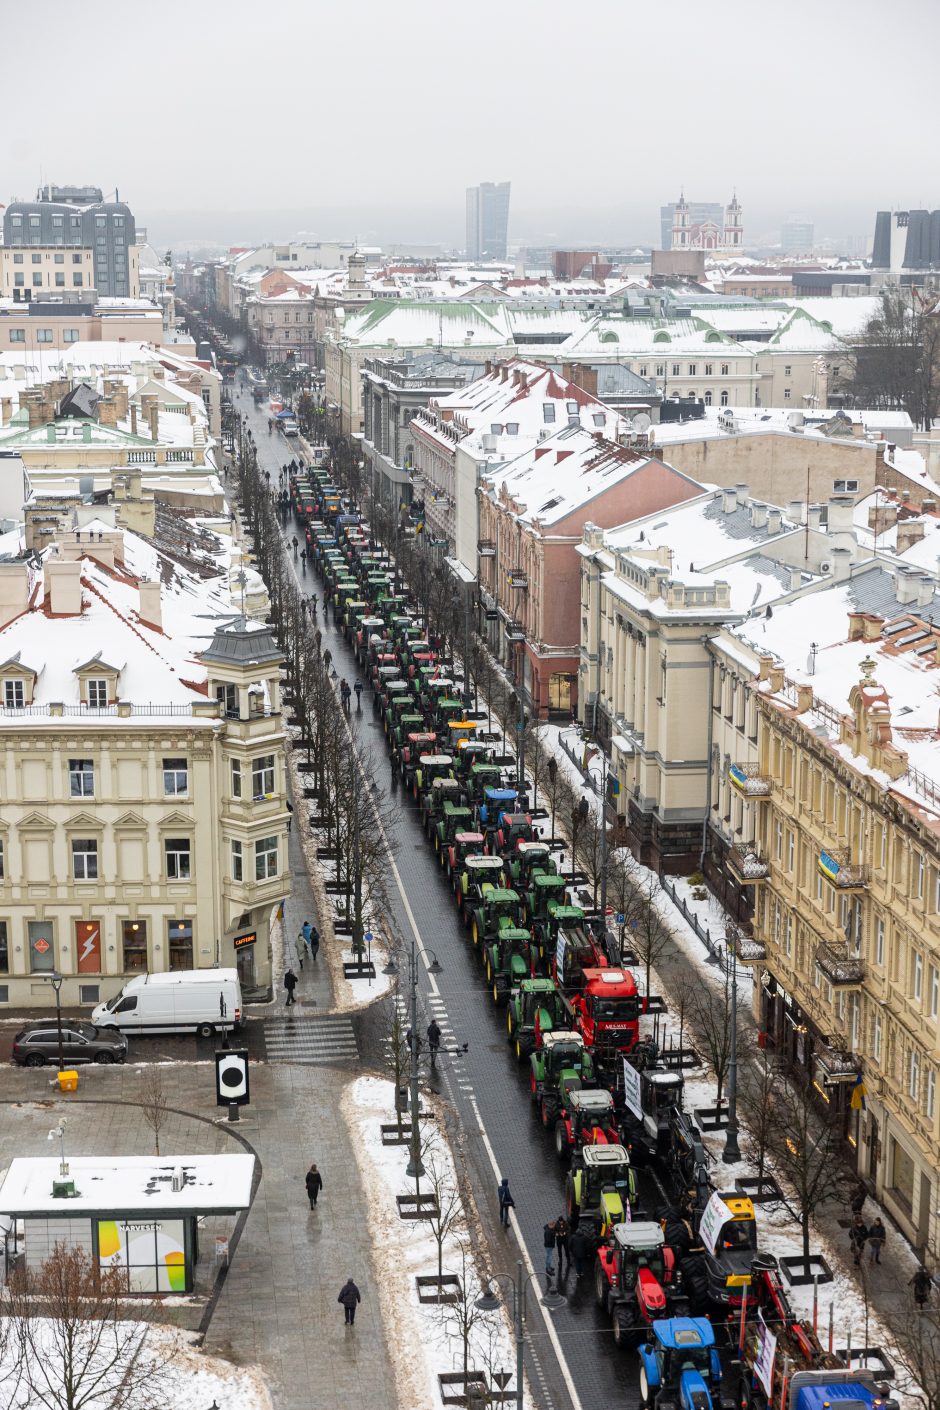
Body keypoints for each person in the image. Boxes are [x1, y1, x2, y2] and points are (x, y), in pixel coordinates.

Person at [554, 1214, 570, 1278]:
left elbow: (568, 1229)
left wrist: (565, 1232)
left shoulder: (566, 1223)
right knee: (559, 1250)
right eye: (560, 1221)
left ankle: (568, 1260)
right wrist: (557, 1233)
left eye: (562, 1221)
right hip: (559, 1240)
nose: (561, 1222)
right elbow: (554, 1230)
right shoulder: (556, 1224)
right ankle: (560, 1260)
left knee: (566, 1250)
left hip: (565, 1239)